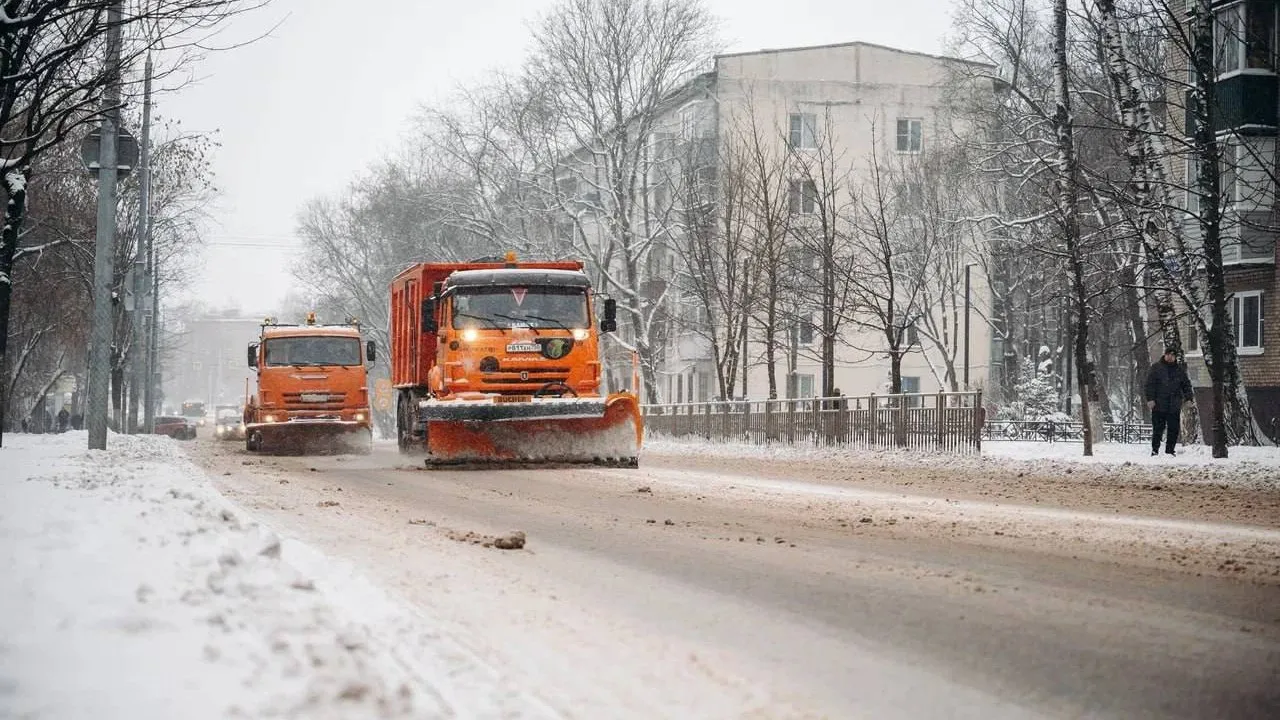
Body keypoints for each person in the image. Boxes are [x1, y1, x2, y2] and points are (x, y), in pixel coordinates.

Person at [1144, 346, 1194, 457]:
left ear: (1175, 357)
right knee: (1158, 429)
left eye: (1173, 355)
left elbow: (1186, 385)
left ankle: (1170, 450)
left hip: (1174, 405)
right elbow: (1149, 385)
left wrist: (1189, 398)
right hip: (1158, 404)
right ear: (1165, 355)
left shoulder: (1179, 370)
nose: (1170, 357)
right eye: (1168, 354)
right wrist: (1150, 399)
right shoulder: (1156, 368)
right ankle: (1155, 450)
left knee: (1173, 429)